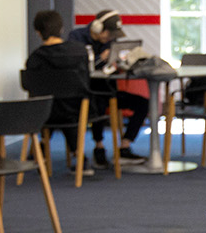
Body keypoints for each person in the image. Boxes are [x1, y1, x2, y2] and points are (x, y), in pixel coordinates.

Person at [25, 10, 91, 172]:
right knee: (67, 104)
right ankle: (78, 154)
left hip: (44, 115)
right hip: (76, 111)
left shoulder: (35, 58)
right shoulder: (79, 51)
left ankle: (41, 148)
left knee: (54, 102)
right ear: (61, 29)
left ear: (38, 32)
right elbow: (85, 82)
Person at [84, 9, 150, 168]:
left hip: (109, 90)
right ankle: (99, 147)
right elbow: (81, 68)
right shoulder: (77, 38)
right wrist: (101, 58)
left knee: (143, 103)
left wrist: (123, 63)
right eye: (109, 33)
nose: (110, 38)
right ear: (98, 28)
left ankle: (125, 146)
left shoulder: (110, 43)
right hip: (87, 92)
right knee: (97, 104)